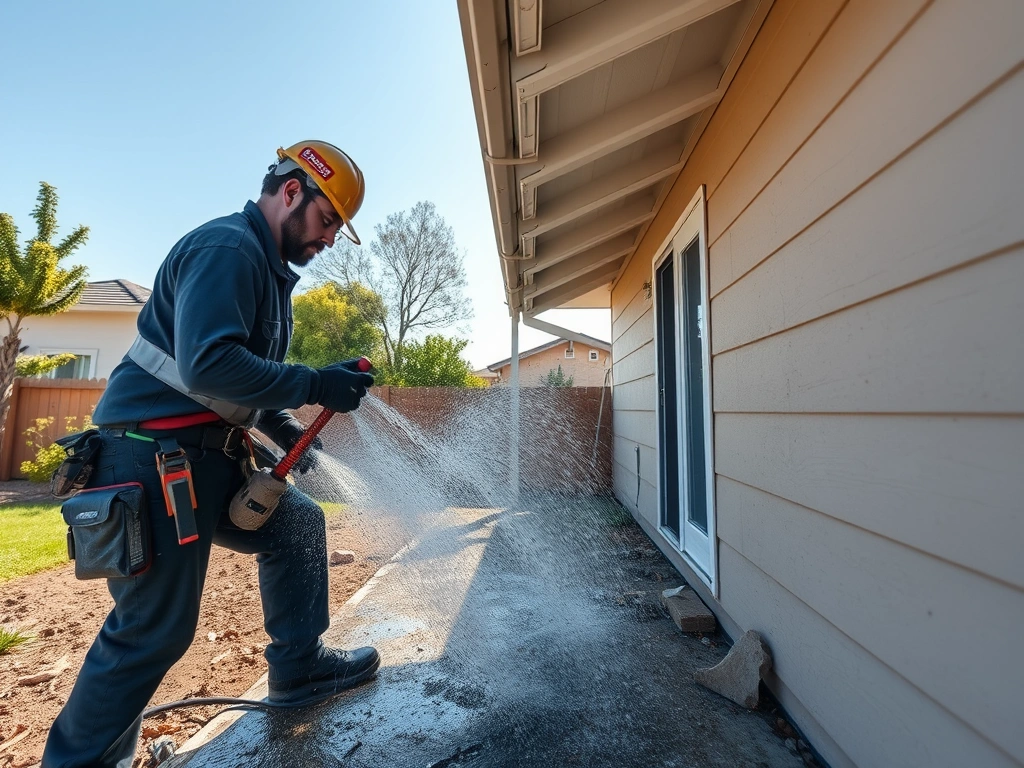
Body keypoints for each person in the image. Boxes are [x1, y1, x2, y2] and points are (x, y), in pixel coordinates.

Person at [42, 141, 378, 768]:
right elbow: (209, 363)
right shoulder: (228, 248)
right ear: (291, 192)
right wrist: (312, 384)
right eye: (329, 219)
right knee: (153, 631)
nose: (330, 239)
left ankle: (298, 669)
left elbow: (241, 382)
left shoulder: (266, 269)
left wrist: (286, 431)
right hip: (151, 459)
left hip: (203, 459)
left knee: (298, 522)